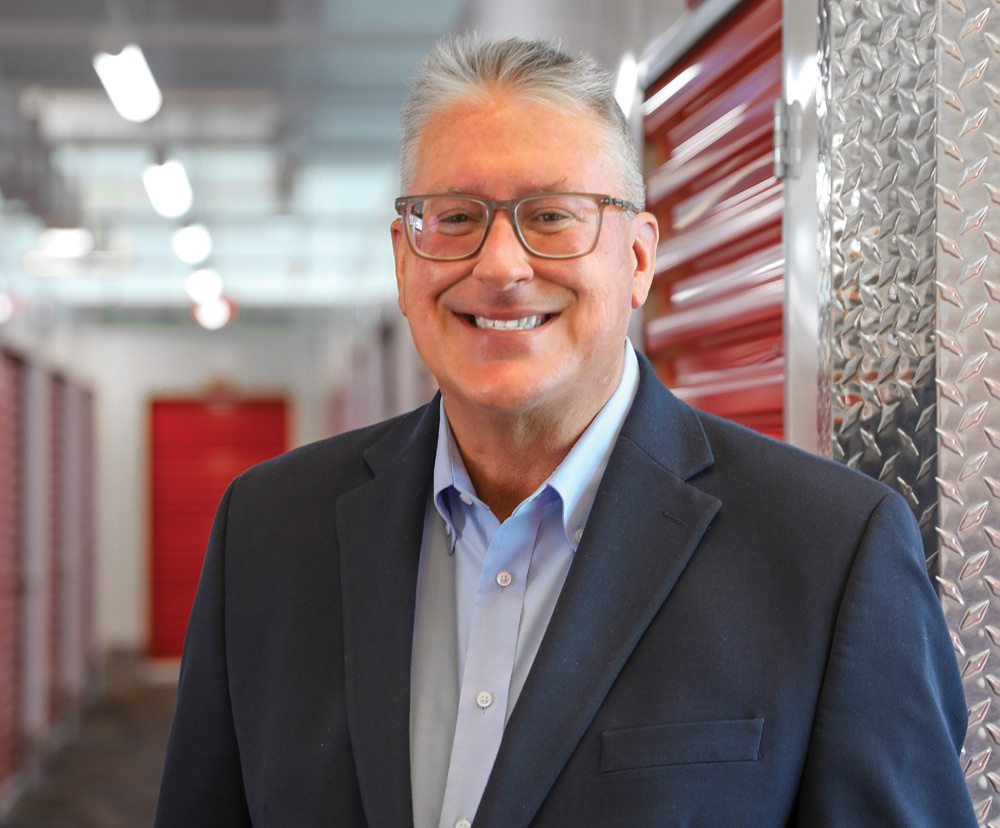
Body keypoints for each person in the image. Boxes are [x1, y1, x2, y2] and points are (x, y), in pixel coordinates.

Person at [155, 34, 977, 828]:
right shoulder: (266, 534)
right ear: (404, 264)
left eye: (551, 216)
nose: (502, 266)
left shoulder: (830, 555)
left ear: (639, 260)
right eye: (454, 217)